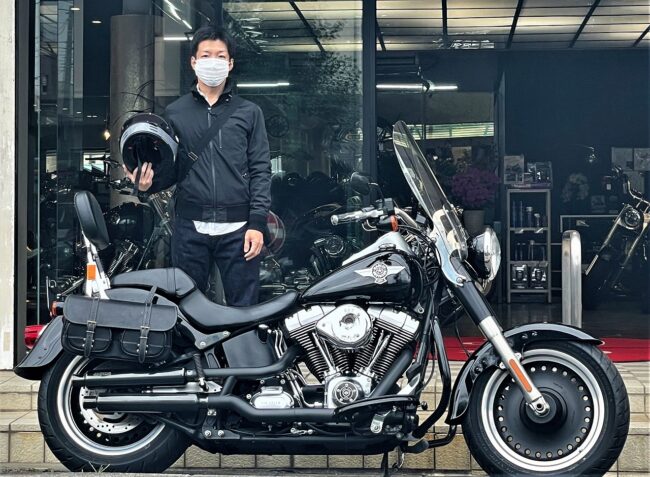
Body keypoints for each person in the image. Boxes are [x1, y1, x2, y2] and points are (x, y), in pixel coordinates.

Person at [124, 26, 271, 307]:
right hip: (189, 226)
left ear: (230, 64)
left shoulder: (249, 112)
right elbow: (170, 170)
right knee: (188, 309)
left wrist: (257, 224)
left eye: (220, 56)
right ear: (193, 62)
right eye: (206, 55)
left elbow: (261, 170)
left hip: (239, 228)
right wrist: (147, 185)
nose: (213, 61)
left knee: (245, 311)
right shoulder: (175, 113)